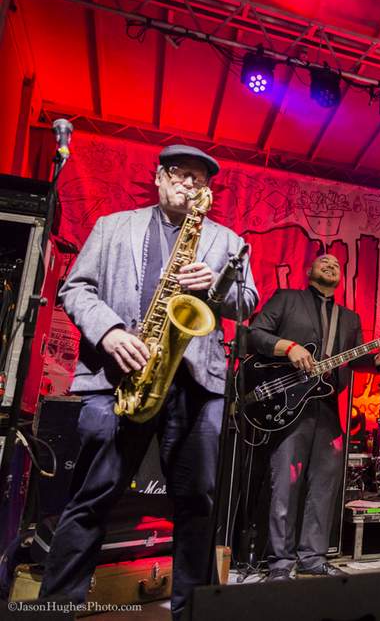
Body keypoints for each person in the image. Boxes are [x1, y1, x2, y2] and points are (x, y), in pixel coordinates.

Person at [40, 145, 259, 619]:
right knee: (91, 500)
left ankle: (192, 612)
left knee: (197, 507)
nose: (190, 184)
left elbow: (247, 303)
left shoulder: (227, 241)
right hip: (120, 377)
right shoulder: (114, 225)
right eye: (181, 174)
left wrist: (218, 284)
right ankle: (55, 609)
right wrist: (111, 331)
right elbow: (76, 287)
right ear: (159, 177)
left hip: (196, 388)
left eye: (200, 180)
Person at [248, 254, 380, 580]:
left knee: (324, 486)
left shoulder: (349, 317)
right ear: (309, 270)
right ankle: (280, 563)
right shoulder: (288, 299)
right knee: (284, 486)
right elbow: (255, 334)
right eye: (323, 261)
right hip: (286, 406)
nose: (331, 265)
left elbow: (359, 360)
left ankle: (312, 558)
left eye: (336, 265)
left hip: (327, 409)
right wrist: (288, 347)